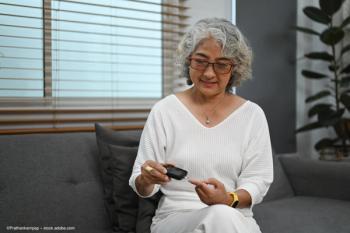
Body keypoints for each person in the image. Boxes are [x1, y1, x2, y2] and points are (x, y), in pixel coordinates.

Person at [129, 18, 273, 233]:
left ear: (235, 69)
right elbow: (141, 186)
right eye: (201, 61)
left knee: (222, 214)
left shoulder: (252, 115)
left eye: (222, 64)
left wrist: (227, 199)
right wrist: (147, 177)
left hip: (235, 216)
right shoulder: (164, 110)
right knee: (220, 215)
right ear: (189, 61)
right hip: (176, 218)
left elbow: (257, 181)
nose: (208, 73)